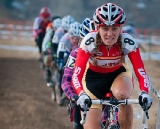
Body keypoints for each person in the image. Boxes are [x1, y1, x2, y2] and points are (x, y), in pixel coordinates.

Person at [71, 3, 153, 129]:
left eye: (114, 28)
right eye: (105, 28)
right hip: (93, 80)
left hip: (118, 75)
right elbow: (77, 75)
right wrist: (81, 94)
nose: (110, 34)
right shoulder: (89, 42)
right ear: (98, 28)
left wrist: (144, 92)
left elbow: (141, 72)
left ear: (121, 28)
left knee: (123, 94)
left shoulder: (127, 42)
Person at [61, 18, 96, 129]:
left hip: (104, 95)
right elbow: (66, 79)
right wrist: (73, 96)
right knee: (78, 123)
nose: (93, 46)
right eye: (89, 41)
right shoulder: (75, 54)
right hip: (82, 96)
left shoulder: (109, 54)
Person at [54, 21, 80, 105]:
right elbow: (60, 54)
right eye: (73, 38)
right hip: (65, 54)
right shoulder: (64, 40)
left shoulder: (82, 41)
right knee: (63, 67)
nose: (75, 40)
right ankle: (61, 90)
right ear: (69, 36)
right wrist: (60, 64)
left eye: (77, 38)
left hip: (76, 55)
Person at [42, 18, 62, 86]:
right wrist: (45, 50)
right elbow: (45, 43)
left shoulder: (62, 33)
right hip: (50, 47)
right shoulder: (50, 32)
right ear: (53, 28)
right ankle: (47, 71)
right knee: (49, 56)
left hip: (58, 48)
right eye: (56, 28)